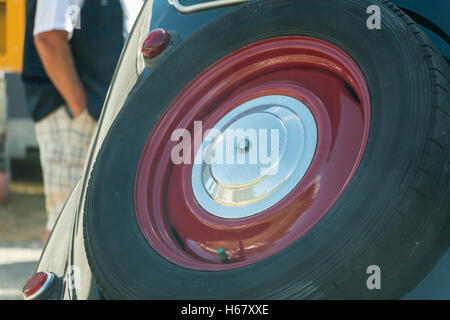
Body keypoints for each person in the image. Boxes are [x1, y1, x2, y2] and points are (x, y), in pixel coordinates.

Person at [21, 0, 142, 243]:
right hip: (74, 115)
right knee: (67, 225)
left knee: (93, 226)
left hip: (99, 113)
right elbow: (48, 39)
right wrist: (81, 109)